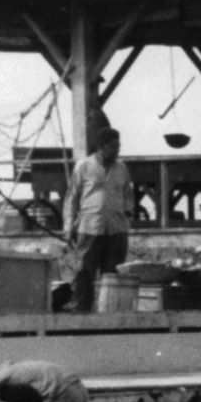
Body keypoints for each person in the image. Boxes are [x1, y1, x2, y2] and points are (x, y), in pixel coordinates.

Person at [63, 126, 131, 313]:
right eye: (112, 146)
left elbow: (127, 194)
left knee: (113, 274)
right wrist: (69, 227)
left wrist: (128, 213)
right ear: (100, 147)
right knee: (84, 271)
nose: (117, 150)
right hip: (89, 227)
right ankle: (81, 312)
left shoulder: (122, 167)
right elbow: (72, 198)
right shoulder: (83, 166)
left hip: (116, 229)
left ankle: (110, 314)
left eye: (118, 146)